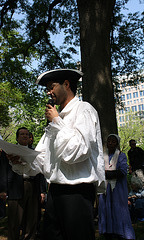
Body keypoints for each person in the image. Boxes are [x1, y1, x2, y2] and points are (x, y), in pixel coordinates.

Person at [9, 69, 105, 240]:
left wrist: (56, 121)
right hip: (55, 192)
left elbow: (78, 151)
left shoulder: (84, 110)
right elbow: (43, 158)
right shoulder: (56, 119)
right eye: (47, 88)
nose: (48, 92)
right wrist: (21, 160)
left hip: (78, 192)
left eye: (51, 86)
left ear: (66, 85)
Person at [0, 127, 40, 240]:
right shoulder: (8, 151)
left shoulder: (35, 151)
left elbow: (40, 172)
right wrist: (3, 189)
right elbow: (3, 170)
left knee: (32, 218)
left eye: (27, 134)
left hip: (32, 186)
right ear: (17, 137)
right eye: (22, 134)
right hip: (14, 187)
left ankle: (30, 237)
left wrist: (42, 191)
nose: (25, 136)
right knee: (14, 219)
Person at [98, 134, 135, 240]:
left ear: (117, 143)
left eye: (113, 141)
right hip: (105, 188)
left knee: (118, 209)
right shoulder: (102, 157)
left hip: (117, 189)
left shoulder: (121, 156)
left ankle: (121, 232)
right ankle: (108, 232)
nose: (110, 143)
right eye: (109, 141)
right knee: (105, 208)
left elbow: (122, 171)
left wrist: (106, 173)